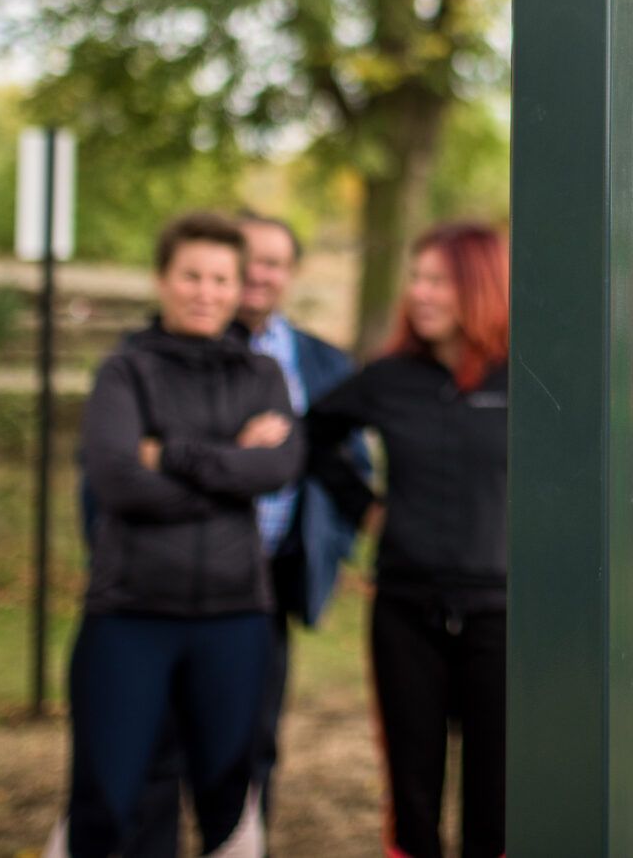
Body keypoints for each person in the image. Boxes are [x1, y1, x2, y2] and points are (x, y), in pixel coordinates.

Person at [55, 211, 302, 858]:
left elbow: (276, 469)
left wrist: (169, 455)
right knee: (110, 795)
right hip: (130, 616)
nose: (206, 292)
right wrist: (229, 465)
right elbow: (117, 481)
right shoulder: (124, 373)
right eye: (191, 275)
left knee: (227, 793)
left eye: (221, 279)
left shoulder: (262, 376)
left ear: (238, 286)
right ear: (162, 280)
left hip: (235, 618)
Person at [121, 210, 368, 858]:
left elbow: (346, 473)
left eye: (275, 264)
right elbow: (112, 470)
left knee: (249, 744)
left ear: (291, 275)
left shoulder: (322, 364)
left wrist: (324, 554)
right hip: (164, 579)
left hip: (266, 586)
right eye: (249, 260)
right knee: (155, 745)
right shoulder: (158, 357)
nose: (260, 275)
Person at [305, 222, 511, 858]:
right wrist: (365, 508)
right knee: (412, 789)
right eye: (416, 278)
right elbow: (315, 434)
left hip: (502, 613)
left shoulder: (526, 379)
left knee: (496, 791)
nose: (419, 293)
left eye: (437, 280)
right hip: (405, 608)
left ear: (480, 287)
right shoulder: (390, 377)